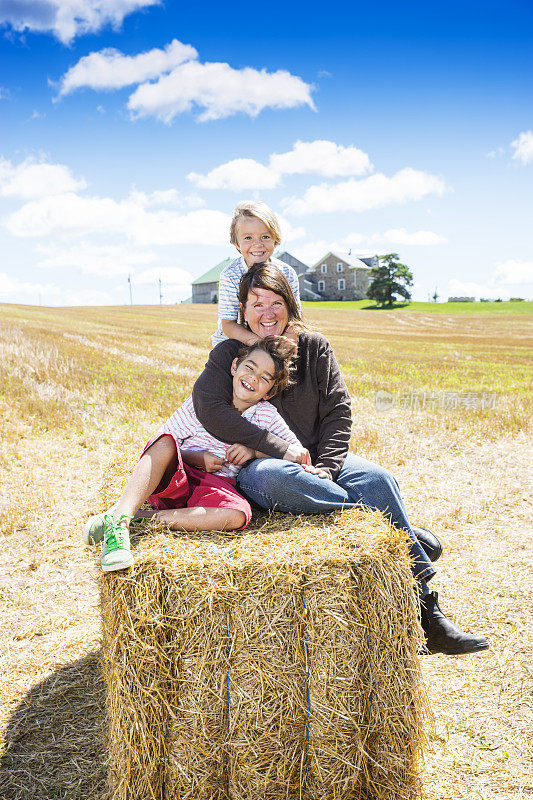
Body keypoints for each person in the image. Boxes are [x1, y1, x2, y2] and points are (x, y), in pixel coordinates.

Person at [192, 262, 490, 656]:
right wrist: (275, 448)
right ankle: (395, 533)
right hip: (263, 467)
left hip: (320, 460)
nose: (266, 312)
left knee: (378, 480)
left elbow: (338, 410)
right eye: (256, 302)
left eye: (276, 302)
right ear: (242, 310)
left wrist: (328, 469)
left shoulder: (314, 347)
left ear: (290, 304)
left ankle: (425, 612)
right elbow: (211, 409)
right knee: (277, 480)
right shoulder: (229, 352)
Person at [83, 337, 308, 573]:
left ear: (269, 392)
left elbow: (296, 452)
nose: (253, 378)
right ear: (234, 367)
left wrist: (254, 451)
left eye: (264, 378)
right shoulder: (203, 402)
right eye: (249, 368)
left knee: (238, 515)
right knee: (165, 444)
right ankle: (120, 524)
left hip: (215, 488)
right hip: (177, 476)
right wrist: (194, 458)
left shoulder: (267, 416)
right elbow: (160, 442)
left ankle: (143, 517)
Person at [211, 200, 301, 347]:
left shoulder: (287, 273)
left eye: (265, 237)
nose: (257, 244)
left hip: (276, 339)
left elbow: (295, 318)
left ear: (275, 240)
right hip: (235, 341)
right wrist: (260, 347)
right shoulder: (230, 275)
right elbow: (228, 324)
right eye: (248, 238)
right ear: (236, 243)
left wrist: (284, 346)